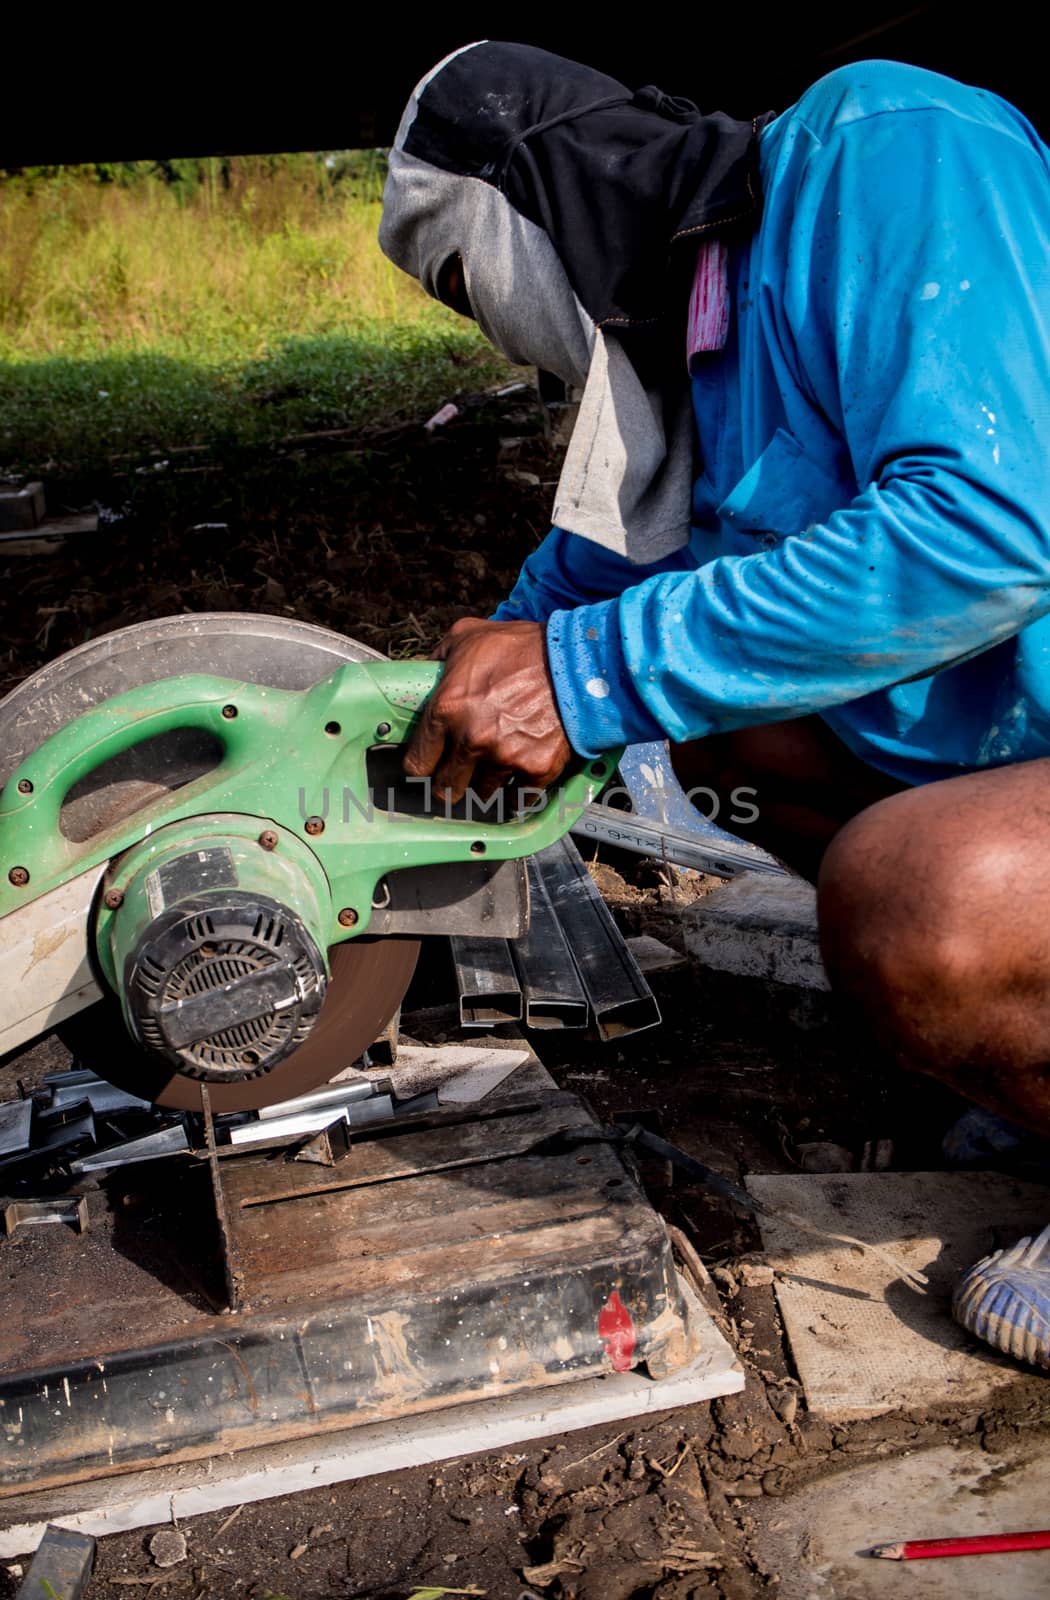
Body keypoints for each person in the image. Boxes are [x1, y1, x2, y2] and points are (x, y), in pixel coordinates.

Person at [379, 41, 1050, 1368]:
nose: (489, 327)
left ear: (536, 203)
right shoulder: (690, 350)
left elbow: (988, 528)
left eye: (467, 285)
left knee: (917, 899)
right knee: (734, 732)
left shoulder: (888, 144)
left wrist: (584, 676)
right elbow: (561, 610)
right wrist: (424, 737)